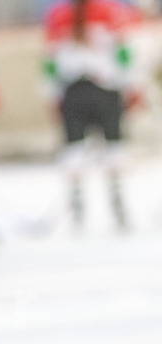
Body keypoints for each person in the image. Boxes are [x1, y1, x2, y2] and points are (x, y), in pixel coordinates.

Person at [43, 0, 141, 231]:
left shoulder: (61, 14)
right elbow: (123, 52)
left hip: (79, 91)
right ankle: (109, 204)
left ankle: (85, 205)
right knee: (107, 148)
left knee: (83, 150)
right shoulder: (107, 11)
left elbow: (49, 61)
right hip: (101, 90)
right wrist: (132, 84)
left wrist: (50, 94)